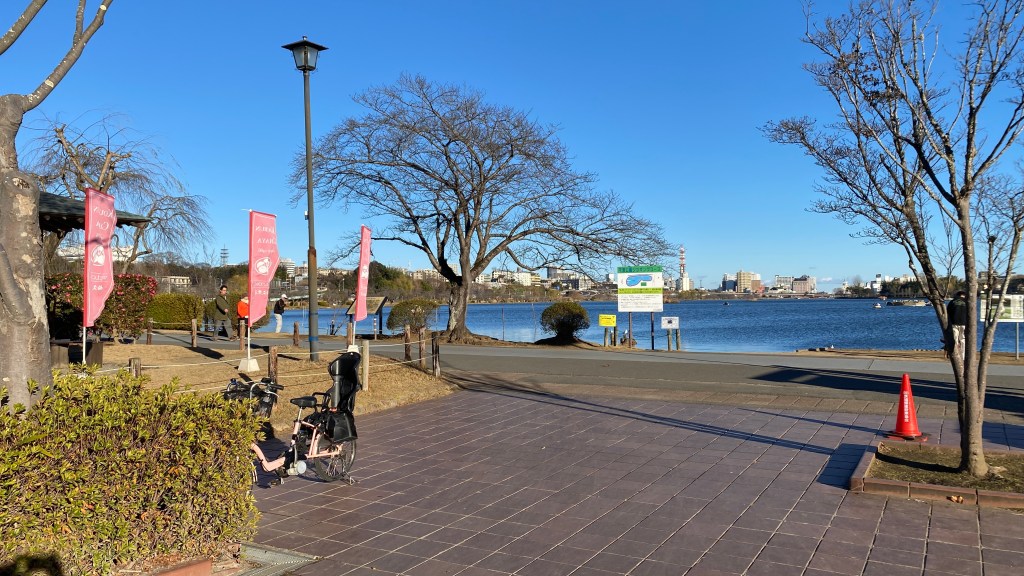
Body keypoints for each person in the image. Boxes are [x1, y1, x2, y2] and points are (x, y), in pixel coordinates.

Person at [946, 290, 968, 361]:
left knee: (955, 339)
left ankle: (955, 354)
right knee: (963, 339)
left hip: (954, 323)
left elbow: (947, 312)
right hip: (964, 324)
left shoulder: (952, 302)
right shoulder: (967, 302)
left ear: (957, 295)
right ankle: (963, 356)